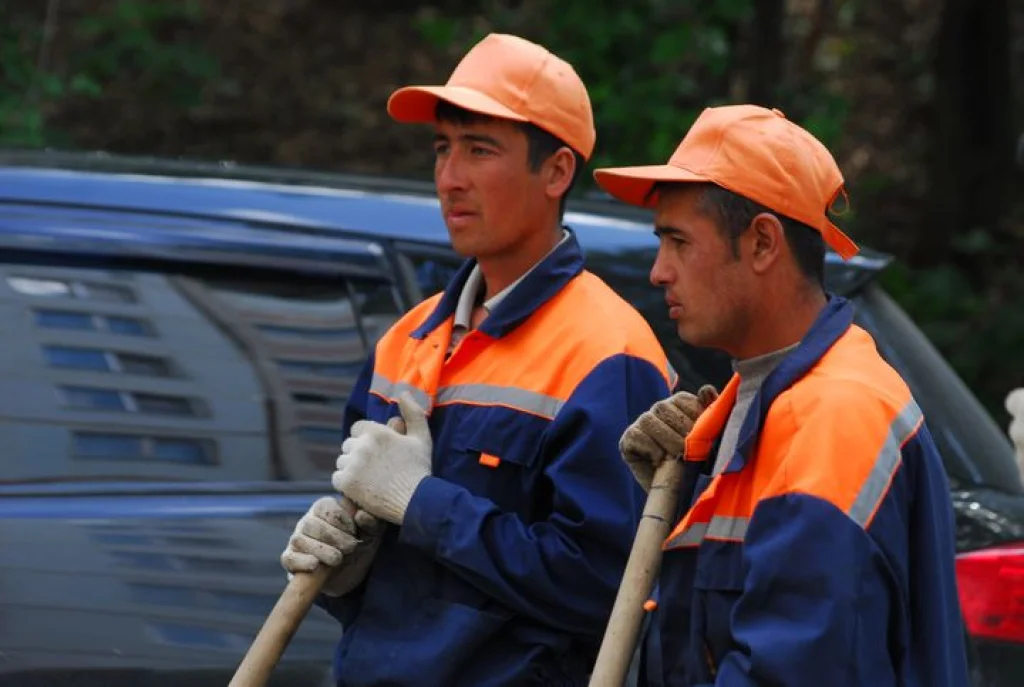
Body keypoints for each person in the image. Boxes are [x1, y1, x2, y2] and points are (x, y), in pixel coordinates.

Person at [280, 33, 673, 686]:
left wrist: (421, 502)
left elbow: (605, 588)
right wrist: (347, 569)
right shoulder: (405, 340)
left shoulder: (610, 355)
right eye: (442, 148)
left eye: (479, 149)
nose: (449, 177)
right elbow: (396, 583)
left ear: (557, 172)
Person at [593, 104, 970, 686]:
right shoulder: (766, 404)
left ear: (764, 242)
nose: (658, 272)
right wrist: (688, 486)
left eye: (679, 242)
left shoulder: (832, 419)